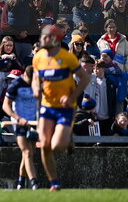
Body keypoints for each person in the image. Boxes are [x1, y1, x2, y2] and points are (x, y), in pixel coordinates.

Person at [32, 24, 88, 191]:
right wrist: (35, 88)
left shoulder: (68, 58)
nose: (43, 38)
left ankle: (68, 138)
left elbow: (84, 79)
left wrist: (71, 97)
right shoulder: (38, 57)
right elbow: (36, 76)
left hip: (66, 107)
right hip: (47, 106)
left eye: (47, 36)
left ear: (56, 39)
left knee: (57, 146)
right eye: (42, 35)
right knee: (45, 144)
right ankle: (54, 182)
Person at [2, 67, 40, 189]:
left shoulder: (38, 83)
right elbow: (5, 106)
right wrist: (18, 118)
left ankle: (20, 182)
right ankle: (34, 183)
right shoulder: (16, 84)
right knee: (27, 152)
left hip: (34, 123)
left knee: (28, 154)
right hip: (19, 123)